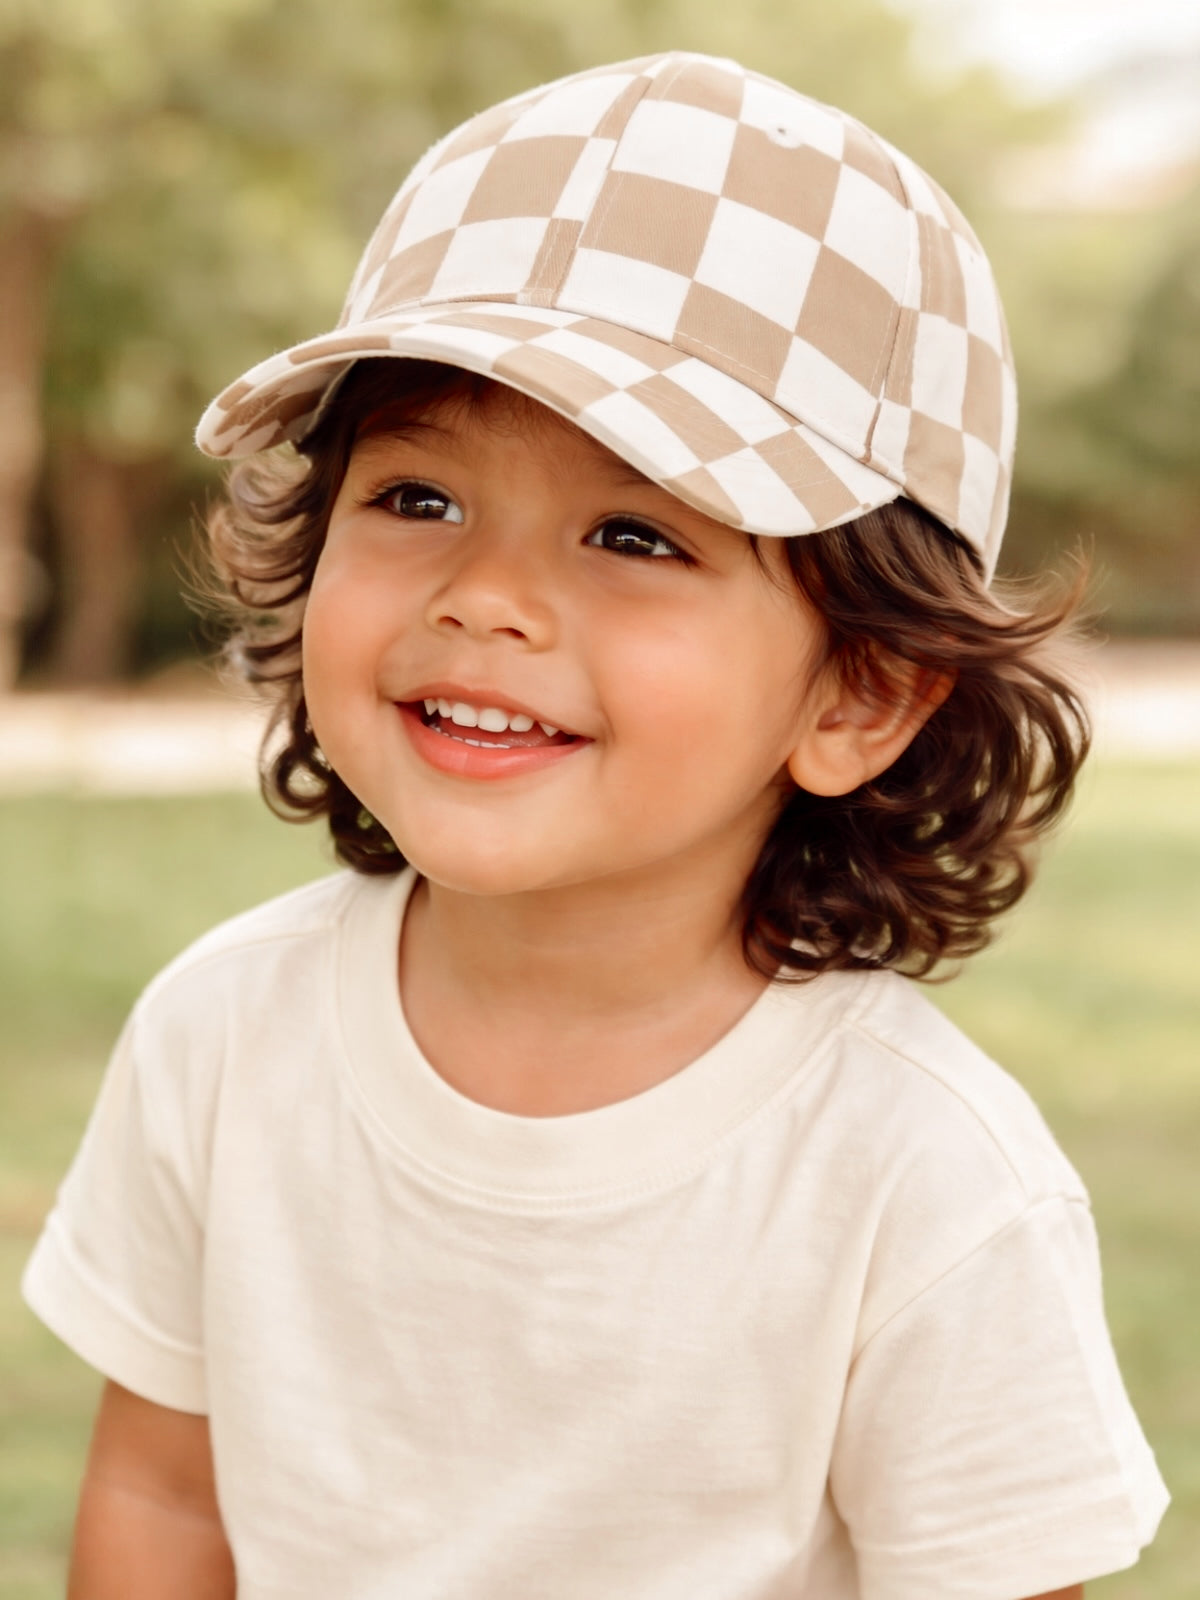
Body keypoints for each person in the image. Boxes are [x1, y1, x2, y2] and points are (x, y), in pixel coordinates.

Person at [24, 51, 1167, 1600]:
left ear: (862, 692)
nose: (483, 596)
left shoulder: (921, 1178)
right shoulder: (225, 1037)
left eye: (635, 533)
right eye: (417, 498)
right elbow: (166, 1507)